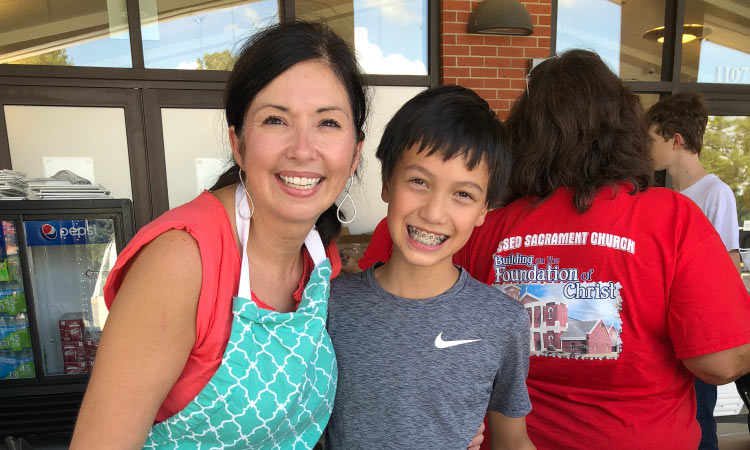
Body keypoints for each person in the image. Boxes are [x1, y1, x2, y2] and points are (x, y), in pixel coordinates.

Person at [360, 50, 750, 450]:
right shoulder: (672, 219)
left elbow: (385, 312)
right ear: (623, 126)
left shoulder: (476, 219)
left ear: (524, 131)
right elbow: (720, 362)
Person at [70, 21, 366, 449]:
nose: (303, 149)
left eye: (328, 123)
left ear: (355, 152)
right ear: (239, 143)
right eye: (275, 119)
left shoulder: (319, 257)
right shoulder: (181, 262)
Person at [325, 85, 535, 449]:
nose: (435, 213)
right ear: (387, 183)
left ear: (484, 209)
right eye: (419, 181)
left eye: (463, 194)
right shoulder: (329, 308)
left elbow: (512, 442)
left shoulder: (503, 321)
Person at [646, 92, 743, 450]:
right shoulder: (666, 193)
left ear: (676, 140)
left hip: (698, 331)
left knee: (702, 421)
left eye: (652, 139)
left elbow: (728, 266)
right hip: (669, 332)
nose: (647, 147)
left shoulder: (715, 193)